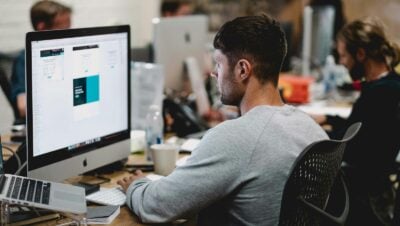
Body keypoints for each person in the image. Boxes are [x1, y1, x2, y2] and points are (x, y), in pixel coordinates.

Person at [118, 14, 328, 225]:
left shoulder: (234, 138)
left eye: (218, 64)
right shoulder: (311, 129)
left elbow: (157, 206)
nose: (213, 73)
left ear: (242, 70)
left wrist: (136, 185)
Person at [312, 17, 400, 225]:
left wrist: (314, 134)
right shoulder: (388, 85)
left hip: (364, 192)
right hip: (374, 182)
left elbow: (351, 144)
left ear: (360, 54)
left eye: (343, 56)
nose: (341, 62)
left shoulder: (380, 95)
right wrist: (329, 118)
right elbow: (360, 127)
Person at [11, 0, 72, 121]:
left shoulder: (66, 53)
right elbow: (23, 107)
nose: (69, 35)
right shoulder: (24, 60)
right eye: (62, 30)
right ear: (42, 28)